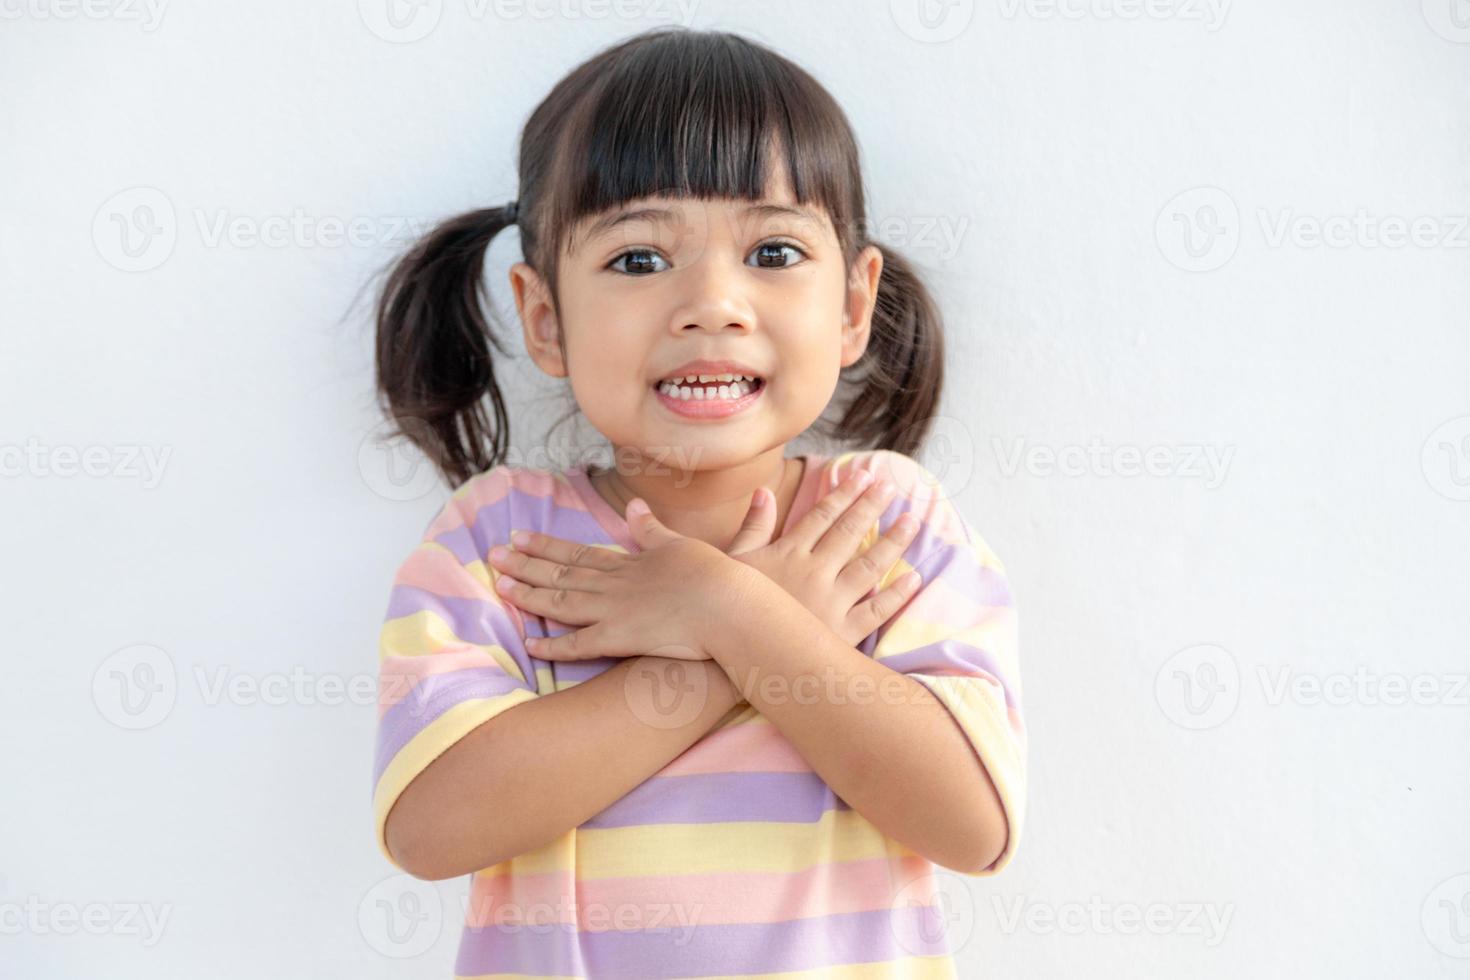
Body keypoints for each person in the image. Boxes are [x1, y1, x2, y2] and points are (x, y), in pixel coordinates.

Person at [368, 26, 1026, 979]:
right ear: (545, 319)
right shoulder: (500, 543)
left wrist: (727, 608)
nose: (713, 303)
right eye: (639, 260)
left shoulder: (882, 527)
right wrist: (735, 644)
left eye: (772, 250)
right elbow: (432, 826)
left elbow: (972, 823)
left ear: (851, 304)